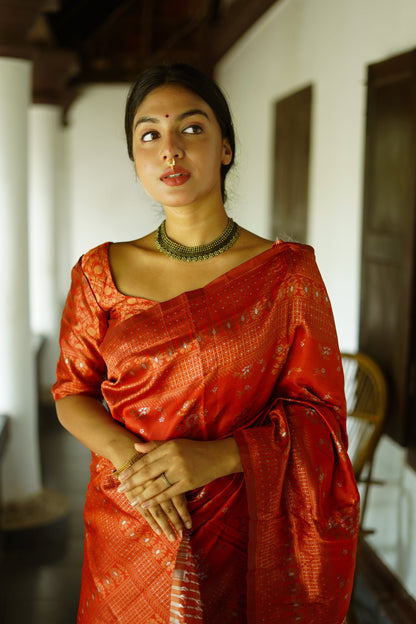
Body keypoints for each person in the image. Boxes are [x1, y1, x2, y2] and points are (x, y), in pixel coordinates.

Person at [52, 63, 360, 624]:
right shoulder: (99, 271)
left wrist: (217, 457)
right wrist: (131, 462)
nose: (170, 150)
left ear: (225, 148)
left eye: (191, 129)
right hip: (131, 516)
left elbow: (320, 418)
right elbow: (72, 392)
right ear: (135, 159)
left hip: (241, 527)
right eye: (150, 135)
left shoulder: (286, 275)